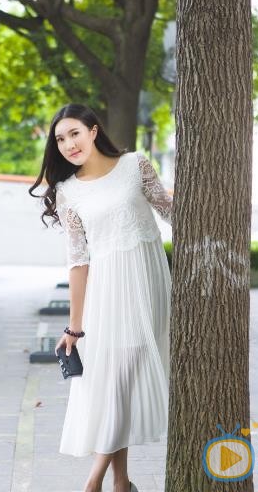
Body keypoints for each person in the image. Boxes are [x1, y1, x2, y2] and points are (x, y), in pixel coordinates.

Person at [29, 103, 172, 492]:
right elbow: (78, 261)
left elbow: (169, 210)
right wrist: (74, 328)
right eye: (60, 139)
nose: (68, 144)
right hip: (105, 291)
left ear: (93, 131)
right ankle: (116, 483)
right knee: (116, 383)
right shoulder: (67, 191)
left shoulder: (135, 165)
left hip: (147, 282)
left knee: (123, 378)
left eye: (74, 133)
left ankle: (100, 483)